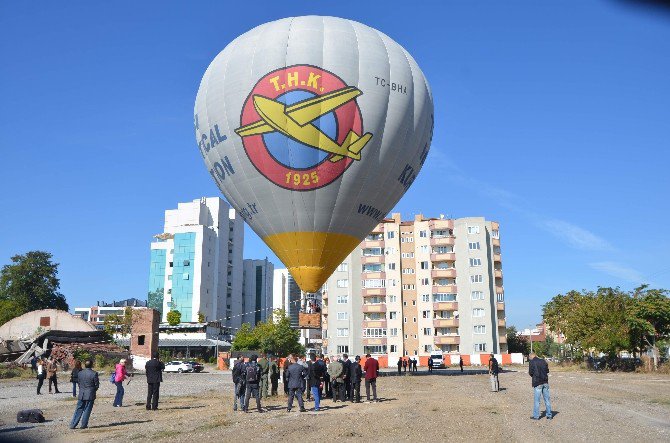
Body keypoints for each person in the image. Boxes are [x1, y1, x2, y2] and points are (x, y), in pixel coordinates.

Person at [69, 359, 99, 429]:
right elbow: (97, 385)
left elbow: (79, 384)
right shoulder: (94, 373)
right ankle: (83, 425)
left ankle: (73, 424)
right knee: (87, 409)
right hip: (90, 393)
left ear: (85, 365)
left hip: (82, 393)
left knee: (78, 409)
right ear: (92, 365)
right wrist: (92, 390)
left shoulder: (80, 373)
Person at [529, 353, 552, 420]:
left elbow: (530, 372)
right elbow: (547, 371)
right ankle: (549, 415)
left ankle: (536, 416)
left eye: (529, 357)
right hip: (545, 382)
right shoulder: (543, 361)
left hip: (537, 382)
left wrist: (535, 376)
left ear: (531, 356)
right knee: (547, 400)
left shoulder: (532, 362)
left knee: (537, 400)